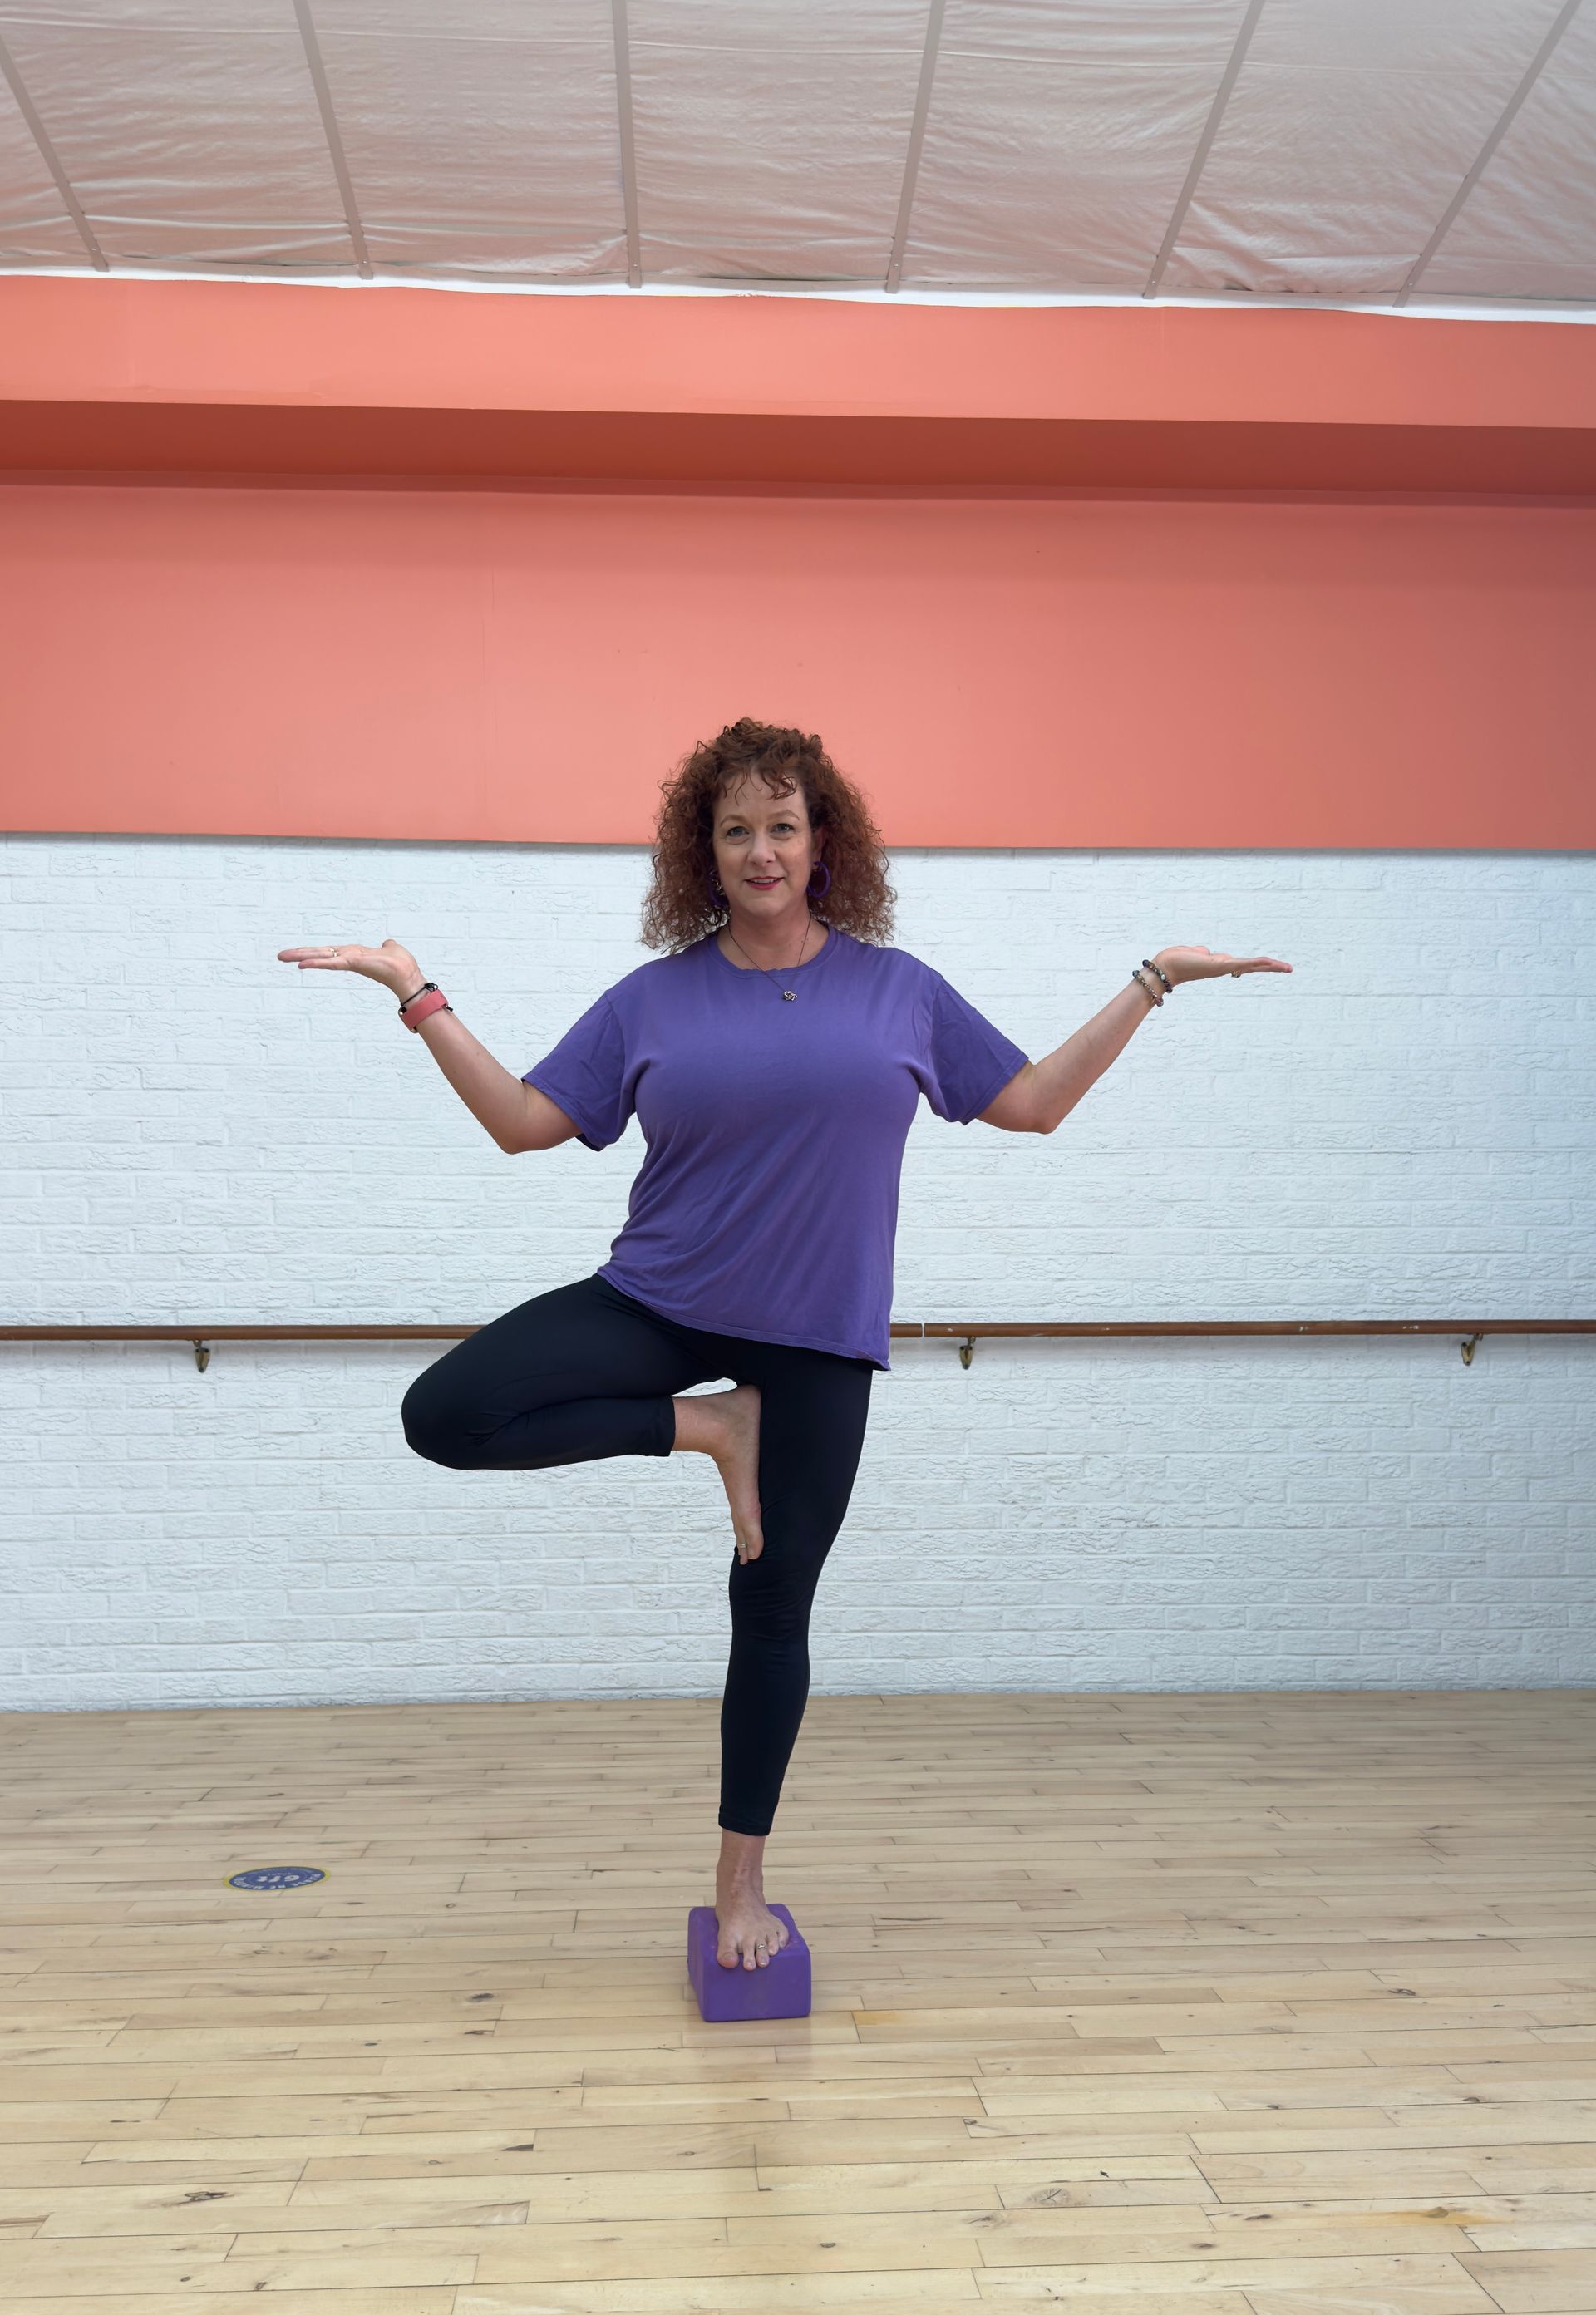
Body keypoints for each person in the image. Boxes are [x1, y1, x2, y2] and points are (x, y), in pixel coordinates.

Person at [278, 717, 1290, 1973]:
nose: (762, 850)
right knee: (447, 1412)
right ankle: (710, 1424)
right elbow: (526, 1124)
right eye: (737, 829)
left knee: (771, 1603)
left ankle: (741, 1875)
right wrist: (416, 994)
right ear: (704, 853)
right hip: (662, 1298)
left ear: (826, 845)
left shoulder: (899, 991)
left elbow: (1030, 1103)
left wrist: (1154, 981)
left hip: (813, 1337)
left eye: (784, 826)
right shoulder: (655, 997)